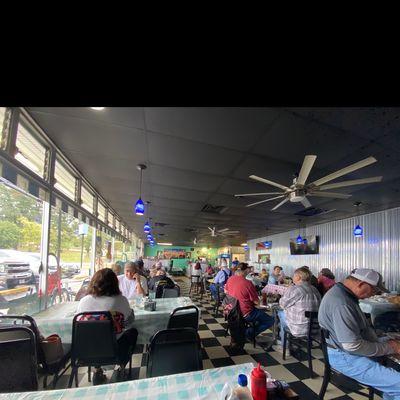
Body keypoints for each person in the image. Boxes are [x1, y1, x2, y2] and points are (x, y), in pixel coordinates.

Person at [318, 268, 400, 399]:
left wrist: (385, 338)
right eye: (374, 290)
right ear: (361, 284)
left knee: (394, 381)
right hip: (345, 357)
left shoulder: (342, 293)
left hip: (343, 350)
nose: (374, 294)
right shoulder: (342, 303)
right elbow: (352, 346)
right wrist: (391, 347)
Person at [76, 268, 138, 384]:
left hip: (88, 349)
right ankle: (122, 366)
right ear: (115, 283)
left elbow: (79, 322)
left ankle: (97, 369)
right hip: (115, 349)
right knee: (133, 332)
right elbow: (129, 322)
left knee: (96, 336)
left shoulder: (84, 301)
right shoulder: (120, 300)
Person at [225, 262, 274, 341]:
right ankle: (248, 333)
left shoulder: (230, 279)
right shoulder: (248, 283)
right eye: (248, 269)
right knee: (270, 320)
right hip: (245, 313)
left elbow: (226, 292)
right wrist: (260, 299)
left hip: (230, 311)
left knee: (259, 317)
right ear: (246, 270)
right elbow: (256, 302)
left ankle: (245, 329)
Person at [277, 266, 321, 349]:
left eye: (294, 276)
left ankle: (285, 347)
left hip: (299, 329)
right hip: (315, 329)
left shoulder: (295, 289)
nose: (293, 277)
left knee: (281, 313)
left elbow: (282, 304)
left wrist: (286, 292)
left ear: (298, 277)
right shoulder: (315, 289)